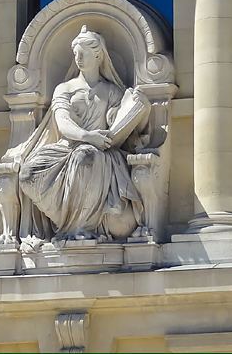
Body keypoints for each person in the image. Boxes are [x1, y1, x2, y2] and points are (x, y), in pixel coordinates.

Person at [17, 25, 148, 243]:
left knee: (85, 156)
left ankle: (82, 226)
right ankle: (65, 222)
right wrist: (88, 136)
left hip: (100, 153)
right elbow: (63, 123)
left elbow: (116, 128)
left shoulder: (112, 91)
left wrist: (132, 111)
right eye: (75, 53)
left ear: (98, 55)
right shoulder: (65, 88)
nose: (77, 57)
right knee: (28, 174)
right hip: (68, 147)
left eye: (82, 52)